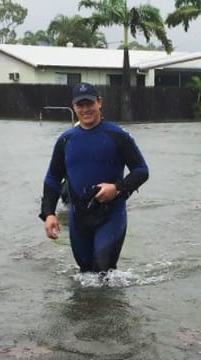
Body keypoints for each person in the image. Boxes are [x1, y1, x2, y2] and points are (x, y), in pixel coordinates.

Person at [39, 82, 149, 273]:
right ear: (73, 107)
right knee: (86, 274)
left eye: (89, 103)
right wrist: (49, 214)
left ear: (99, 103)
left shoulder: (117, 136)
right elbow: (52, 178)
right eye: (80, 105)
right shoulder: (66, 140)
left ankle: (113, 304)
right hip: (79, 218)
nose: (85, 109)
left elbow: (141, 170)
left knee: (103, 270)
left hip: (111, 215)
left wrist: (116, 188)